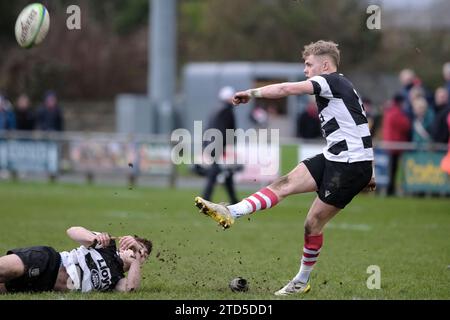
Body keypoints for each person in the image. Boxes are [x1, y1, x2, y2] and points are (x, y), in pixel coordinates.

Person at [194, 40, 376, 296]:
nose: (305, 70)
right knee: (283, 184)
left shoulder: (328, 81)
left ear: (325, 65)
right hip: (338, 157)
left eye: (308, 64)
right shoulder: (343, 85)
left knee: (312, 223)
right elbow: (361, 125)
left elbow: (286, 88)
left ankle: (301, 281)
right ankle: (231, 212)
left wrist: (251, 93)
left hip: (349, 165)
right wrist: (372, 168)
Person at [0, 226, 152, 294]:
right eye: (134, 248)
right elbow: (72, 231)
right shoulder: (108, 245)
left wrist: (136, 259)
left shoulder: (117, 280)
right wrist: (93, 238)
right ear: (124, 245)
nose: (138, 254)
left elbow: (131, 290)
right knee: (6, 270)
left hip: (44, 285)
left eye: (142, 255)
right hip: (49, 261)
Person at [201, 86, 240, 205]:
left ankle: (233, 199)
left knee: (226, 172)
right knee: (218, 171)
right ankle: (206, 198)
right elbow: (225, 130)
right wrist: (227, 145)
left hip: (211, 144)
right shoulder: (226, 111)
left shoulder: (217, 109)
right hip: (217, 145)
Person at [382, 93, 411, 196]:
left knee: (391, 170)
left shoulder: (389, 111)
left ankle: (390, 190)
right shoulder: (396, 112)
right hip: (395, 146)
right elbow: (405, 125)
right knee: (394, 170)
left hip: (390, 145)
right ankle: (391, 190)